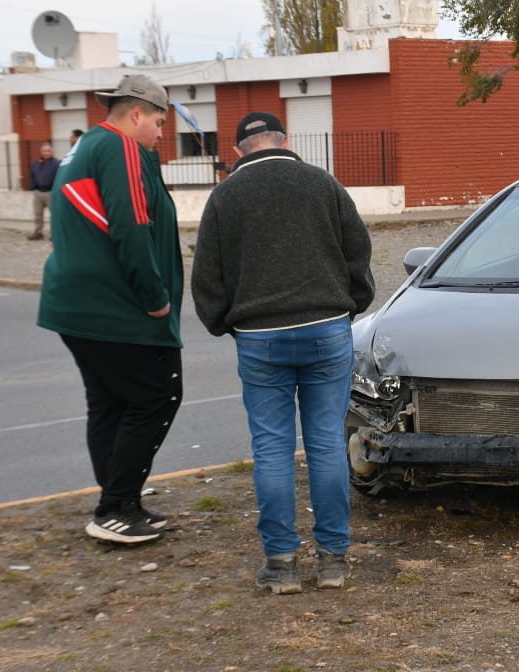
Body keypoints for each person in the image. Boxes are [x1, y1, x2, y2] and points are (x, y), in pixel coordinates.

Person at [191, 112, 375, 593]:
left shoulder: (225, 196)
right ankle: (333, 560)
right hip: (327, 328)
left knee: (271, 449)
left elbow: (207, 273)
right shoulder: (323, 184)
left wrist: (224, 322)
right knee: (326, 445)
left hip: (259, 335)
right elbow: (358, 250)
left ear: (238, 151)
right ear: (285, 141)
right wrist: (352, 304)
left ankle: (281, 565)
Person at [37, 74, 184, 545]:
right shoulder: (120, 148)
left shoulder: (82, 149)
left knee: (110, 403)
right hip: (114, 307)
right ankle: (113, 507)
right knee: (159, 394)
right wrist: (155, 298)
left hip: (76, 305)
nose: (161, 134)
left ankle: (122, 503)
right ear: (136, 113)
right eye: (159, 122)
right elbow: (131, 228)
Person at [27, 143, 60, 240]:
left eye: (48, 151)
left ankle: (55, 234)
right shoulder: (37, 163)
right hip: (38, 193)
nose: (46, 153)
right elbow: (32, 175)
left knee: (54, 215)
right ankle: (38, 232)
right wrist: (32, 187)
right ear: (41, 152)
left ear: (52, 152)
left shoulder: (57, 163)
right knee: (37, 215)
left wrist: (56, 190)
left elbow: (59, 178)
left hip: (50, 193)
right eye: (44, 151)